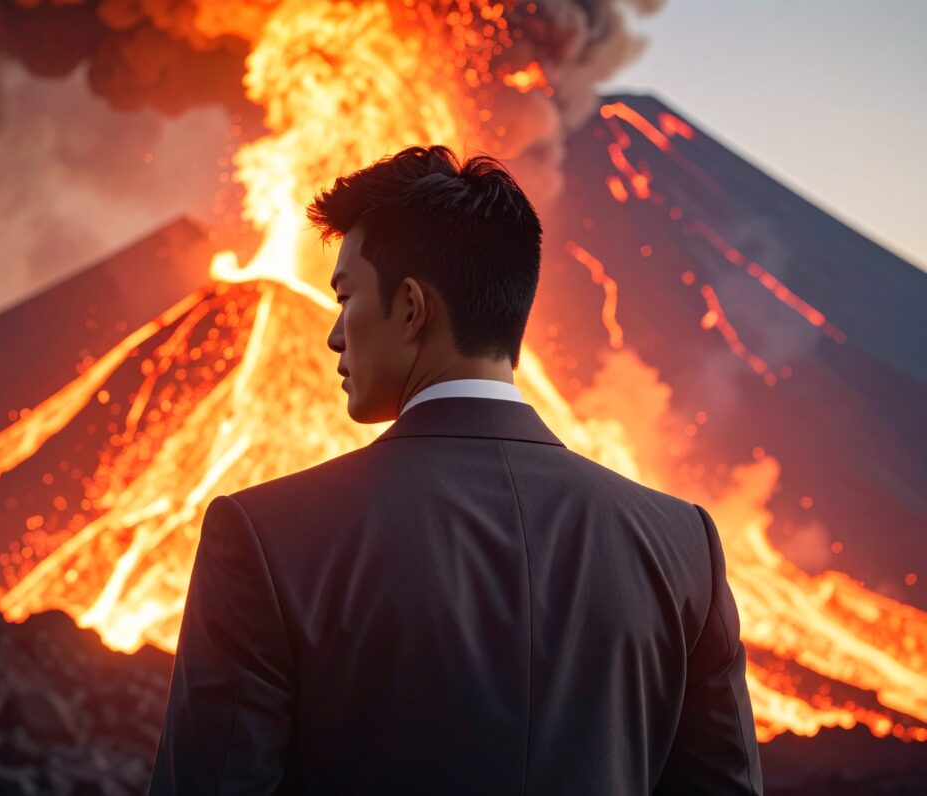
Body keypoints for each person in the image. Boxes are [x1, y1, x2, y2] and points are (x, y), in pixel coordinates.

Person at [147, 145, 763, 794]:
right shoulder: (681, 546)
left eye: (344, 296)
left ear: (411, 308)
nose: (333, 334)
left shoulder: (265, 538)